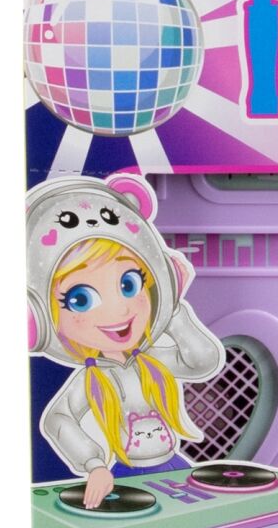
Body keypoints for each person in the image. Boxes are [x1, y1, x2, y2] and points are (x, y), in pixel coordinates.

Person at [27, 173, 225, 507]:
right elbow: (57, 419)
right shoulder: (92, 378)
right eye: (80, 299)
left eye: (129, 284)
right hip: (127, 477)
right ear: (38, 319)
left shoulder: (152, 360)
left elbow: (202, 361)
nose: (119, 310)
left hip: (174, 468)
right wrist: (94, 465)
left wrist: (175, 313)